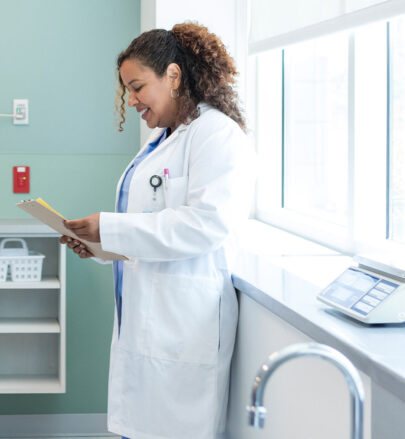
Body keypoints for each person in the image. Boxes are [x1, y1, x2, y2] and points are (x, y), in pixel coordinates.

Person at [60, 23, 253, 439]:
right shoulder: (162, 140)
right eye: (127, 90)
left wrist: (110, 229)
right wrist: (99, 245)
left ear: (173, 75)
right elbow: (148, 227)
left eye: (137, 87)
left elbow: (206, 224)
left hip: (184, 329)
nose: (131, 101)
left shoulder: (217, 135)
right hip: (150, 323)